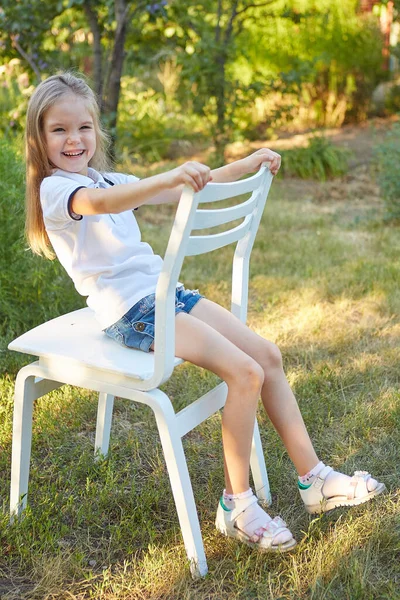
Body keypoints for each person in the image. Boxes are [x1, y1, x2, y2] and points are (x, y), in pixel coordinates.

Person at [25, 72, 385, 552]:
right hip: (133, 312)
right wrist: (166, 175)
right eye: (60, 130)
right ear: (39, 137)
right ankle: (236, 505)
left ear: (97, 131)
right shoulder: (57, 191)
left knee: (267, 355)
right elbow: (103, 203)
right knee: (244, 373)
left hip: (165, 293)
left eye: (84, 127)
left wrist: (248, 161)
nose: (74, 139)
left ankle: (314, 479)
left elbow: (189, 186)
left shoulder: (103, 175)